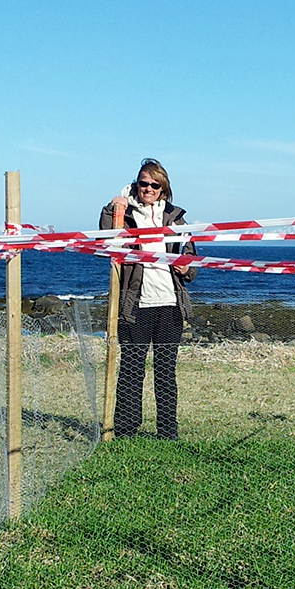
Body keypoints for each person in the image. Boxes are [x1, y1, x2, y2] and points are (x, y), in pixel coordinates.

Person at [99, 158, 197, 440]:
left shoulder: (177, 220)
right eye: (144, 183)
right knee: (131, 370)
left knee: (165, 372)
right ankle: (126, 431)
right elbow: (105, 234)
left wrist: (186, 267)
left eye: (155, 184)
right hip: (135, 306)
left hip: (170, 305)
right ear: (136, 185)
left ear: (164, 189)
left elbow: (192, 265)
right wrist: (113, 205)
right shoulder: (124, 215)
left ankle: (167, 432)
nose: (149, 188)